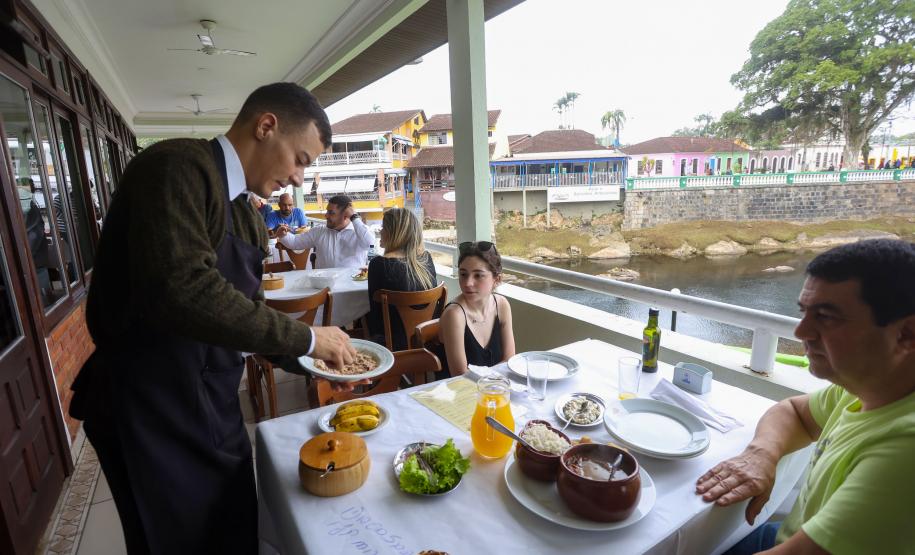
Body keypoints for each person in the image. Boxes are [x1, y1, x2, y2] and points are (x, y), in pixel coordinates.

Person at [69, 82, 359, 555]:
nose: (300, 179)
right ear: (266, 126)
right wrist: (306, 338)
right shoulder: (175, 167)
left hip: (211, 400)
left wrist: (313, 363)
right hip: (152, 404)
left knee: (232, 527)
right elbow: (181, 290)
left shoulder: (245, 214)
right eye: (301, 159)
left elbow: (236, 314)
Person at [696, 239, 915, 555]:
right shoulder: (867, 386)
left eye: (826, 316)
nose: (800, 332)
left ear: (906, 334)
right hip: (788, 535)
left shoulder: (904, 452)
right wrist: (762, 455)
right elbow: (794, 413)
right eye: (804, 312)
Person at [440, 241, 516, 375]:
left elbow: (510, 360)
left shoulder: (502, 305)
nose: (468, 283)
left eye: (478, 275)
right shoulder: (454, 314)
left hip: (493, 391)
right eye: (463, 274)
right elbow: (460, 375)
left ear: (496, 279)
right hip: (459, 392)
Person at [366, 207, 437, 350]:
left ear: (394, 233)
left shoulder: (378, 265)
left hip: (391, 345)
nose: (380, 231)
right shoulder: (426, 258)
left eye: (383, 227)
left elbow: (375, 318)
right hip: (427, 340)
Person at [276, 194, 373, 268]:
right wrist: (283, 235)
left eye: (331, 213)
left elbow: (369, 245)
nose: (326, 215)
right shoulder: (319, 231)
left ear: (346, 215)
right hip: (324, 287)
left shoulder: (360, 232)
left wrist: (354, 217)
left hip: (352, 285)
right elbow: (295, 242)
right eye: (327, 211)